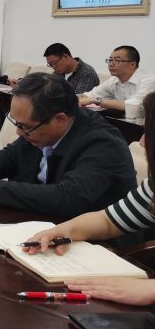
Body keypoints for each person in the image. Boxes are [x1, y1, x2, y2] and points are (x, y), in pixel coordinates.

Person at [0, 73, 136, 218]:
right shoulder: (39, 130)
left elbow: (68, 198)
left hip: (93, 243)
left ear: (60, 120)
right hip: (36, 221)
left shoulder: (103, 144)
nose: (18, 133)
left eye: (24, 127)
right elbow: (11, 155)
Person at [23, 92, 155, 306]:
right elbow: (108, 221)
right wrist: (63, 231)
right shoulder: (153, 189)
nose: (141, 142)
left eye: (148, 133)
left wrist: (150, 288)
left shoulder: (101, 141)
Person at [79, 45, 155, 112]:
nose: (111, 64)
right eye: (110, 60)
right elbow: (89, 95)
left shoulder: (149, 80)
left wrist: (96, 100)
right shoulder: (114, 80)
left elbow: (134, 106)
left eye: (117, 61)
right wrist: (73, 97)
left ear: (132, 65)